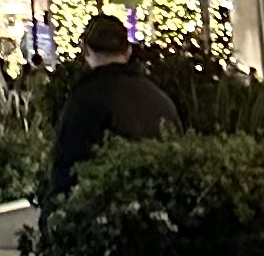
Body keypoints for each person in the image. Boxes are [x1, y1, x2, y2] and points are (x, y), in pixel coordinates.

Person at [46, 13, 178, 198]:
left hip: (107, 210)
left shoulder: (84, 100)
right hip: (161, 204)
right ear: (128, 51)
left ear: (86, 51)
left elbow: (67, 165)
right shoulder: (158, 97)